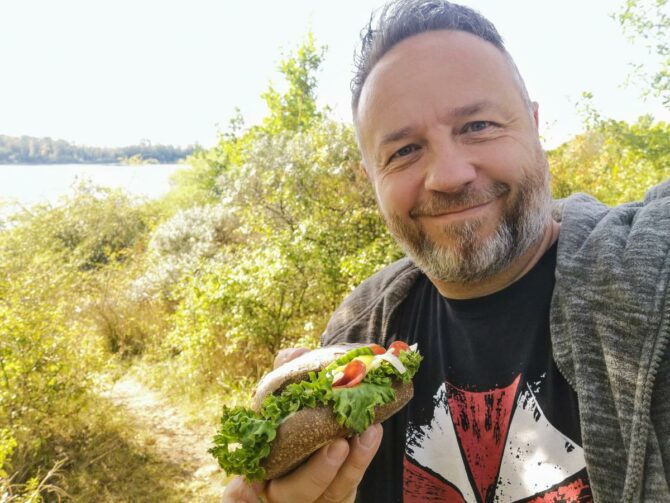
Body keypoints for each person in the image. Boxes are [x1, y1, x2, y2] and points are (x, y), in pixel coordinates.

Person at [222, 0, 670, 501]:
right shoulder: (360, 331)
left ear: (535, 126)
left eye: (478, 125)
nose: (450, 175)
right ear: (372, 178)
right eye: (404, 151)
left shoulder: (647, 271)